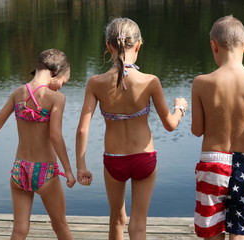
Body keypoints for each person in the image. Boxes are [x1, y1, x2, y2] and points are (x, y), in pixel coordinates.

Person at [76, 17, 187, 240]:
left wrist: (81, 166)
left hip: (114, 159)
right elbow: (170, 125)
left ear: (108, 46)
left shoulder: (96, 83)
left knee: (117, 219)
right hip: (144, 158)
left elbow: (81, 130)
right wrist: (180, 108)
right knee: (138, 224)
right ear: (138, 45)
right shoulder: (150, 81)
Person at [0, 49, 76, 240]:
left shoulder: (18, 93)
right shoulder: (56, 98)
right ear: (56, 73)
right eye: (63, 82)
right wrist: (68, 170)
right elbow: (55, 136)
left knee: (19, 230)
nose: (60, 88)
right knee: (60, 225)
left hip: (20, 169)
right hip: (45, 172)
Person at [191, 15, 244, 240]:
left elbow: (197, 130)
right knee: (240, 234)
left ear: (213, 46)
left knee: (212, 232)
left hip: (212, 164)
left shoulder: (201, 82)